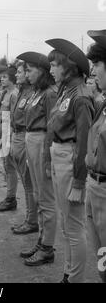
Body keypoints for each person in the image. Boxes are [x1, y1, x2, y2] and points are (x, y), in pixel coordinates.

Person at [46, 38, 95, 283]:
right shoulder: (67, 90)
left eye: (55, 64)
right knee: (67, 225)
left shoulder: (81, 97)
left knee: (74, 228)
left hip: (70, 159)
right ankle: (68, 272)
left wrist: (78, 181)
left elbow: (84, 143)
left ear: (69, 66)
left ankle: (74, 279)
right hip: (60, 156)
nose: (51, 69)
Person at [16, 52, 57, 266]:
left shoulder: (50, 93)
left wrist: (48, 155)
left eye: (30, 70)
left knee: (46, 197)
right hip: (32, 139)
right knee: (39, 195)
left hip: (42, 142)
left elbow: (52, 126)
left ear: (42, 71)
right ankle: (42, 240)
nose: (27, 74)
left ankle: (47, 247)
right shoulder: (36, 92)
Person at [6, 62, 38, 235]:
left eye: (20, 72)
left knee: (29, 183)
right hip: (17, 136)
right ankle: (29, 218)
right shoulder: (21, 92)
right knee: (26, 184)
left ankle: (32, 220)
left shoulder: (32, 93)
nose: (16, 75)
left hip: (25, 137)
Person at [86, 29, 106, 283]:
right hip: (95, 189)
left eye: (97, 64)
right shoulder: (102, 104)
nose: (92, 72)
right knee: (102, 263)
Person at [0, 67, 19, 212]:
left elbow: (15, 117)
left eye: (4, 77)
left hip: (8, 132)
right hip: (1, 131)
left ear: (11, 78)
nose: (1, 79)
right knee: (5, 166)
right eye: (0, 77)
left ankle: (11, 199)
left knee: (10, 167)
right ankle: (9, 196)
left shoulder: (14, 94)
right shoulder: (4, 93)